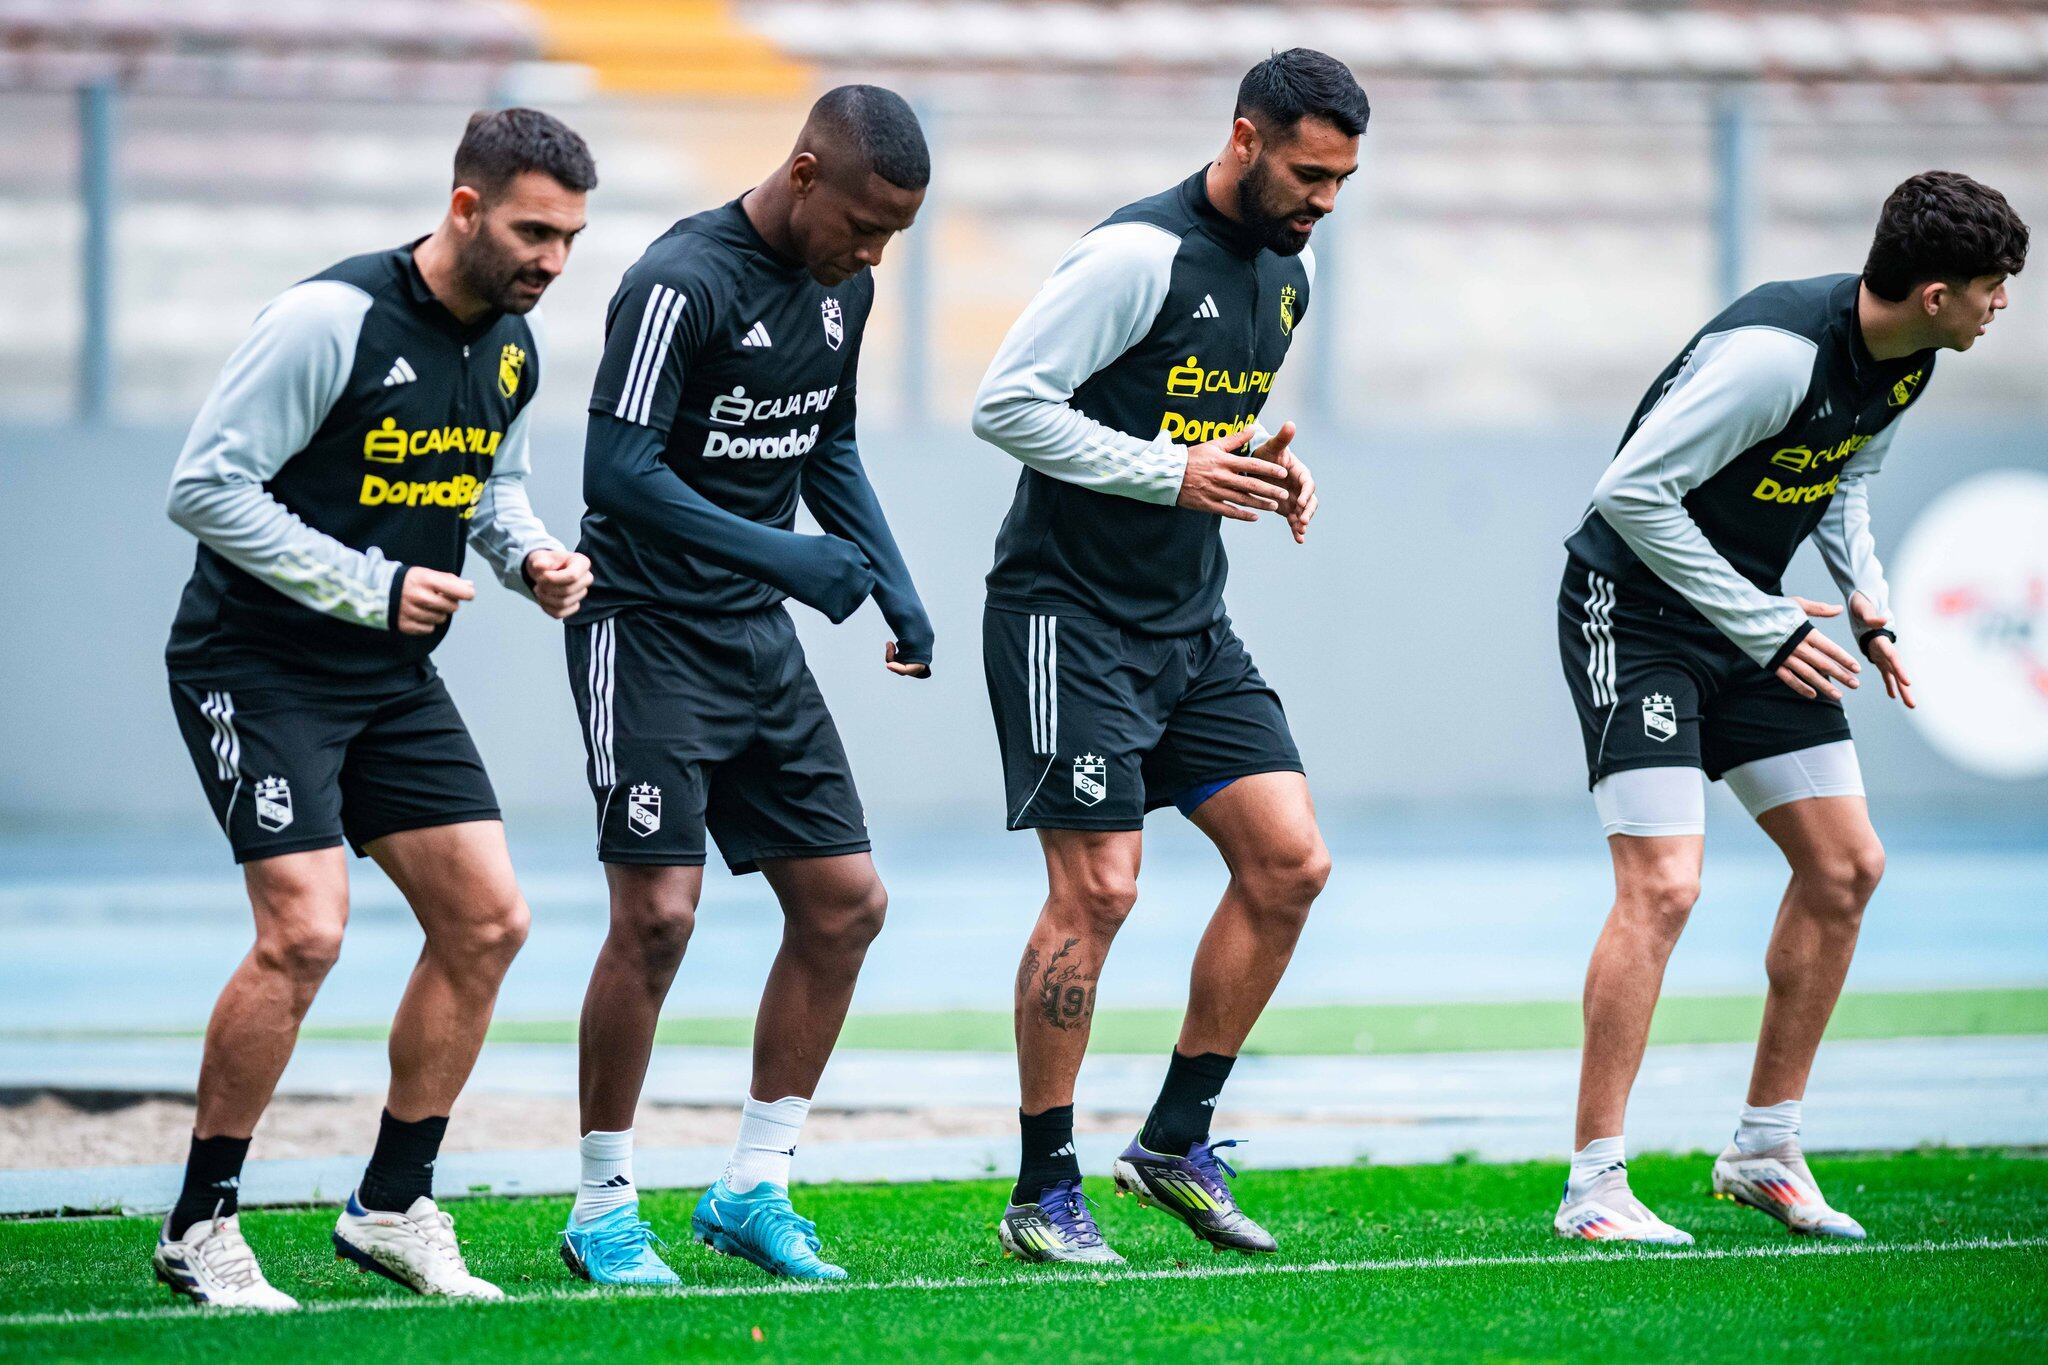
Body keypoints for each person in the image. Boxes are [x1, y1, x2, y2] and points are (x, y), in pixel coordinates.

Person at [154, 108, 598, 1307]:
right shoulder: (327, 321)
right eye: (531, 233)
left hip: (389, 674)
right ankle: (200, 1224)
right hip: (255, 662)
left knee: (489, 922)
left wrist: (534, 558)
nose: (551, 262)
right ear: (463, 208)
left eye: (568, 240)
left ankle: (393, 1204)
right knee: (304, 931)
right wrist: (367, 585)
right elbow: (204, 487)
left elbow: (488, 489)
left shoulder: (512, 345)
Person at [1553, 171, 2027, 1244]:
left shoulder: (1905, 359)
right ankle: (1592, 1187)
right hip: (1632, 617)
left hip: (1753, 620)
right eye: (1993, 287)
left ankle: (1762, 1149)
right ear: (1937, 292)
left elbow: (1841, 481)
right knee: (1663, 885)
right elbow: (1626, 495)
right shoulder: (1777, 358)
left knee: (1845, 866)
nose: (2003, 305)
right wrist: (1765, 625)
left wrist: (1870, 604)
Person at [969, 49, 1365, 1264]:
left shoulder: (1286, 276)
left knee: (1290, 864)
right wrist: (1176, 470)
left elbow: (1182, 416)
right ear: (1243, 139)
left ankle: (1171, 1144)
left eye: (1342, 181)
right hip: (1066, 615)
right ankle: (1043, 1190)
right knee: (1098, 889)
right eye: (1307, 173)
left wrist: (1257, 462)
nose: (1322, 201)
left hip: (1189, 621)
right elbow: (1007, 403)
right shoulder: (1135, 255)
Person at [556, 86, 933, 1285]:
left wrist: (891, 581)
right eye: (863, 225)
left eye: (893, 238)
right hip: (644, 628)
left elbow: (826, 443)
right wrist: (784, 556)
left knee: (845, 904)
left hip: (751, 639)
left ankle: (751, 1187)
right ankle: (603, 1206)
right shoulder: (680, 281)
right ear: (806, 171)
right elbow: (614, 471)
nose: (871, 254)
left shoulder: (845, 288)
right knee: (657, 918)